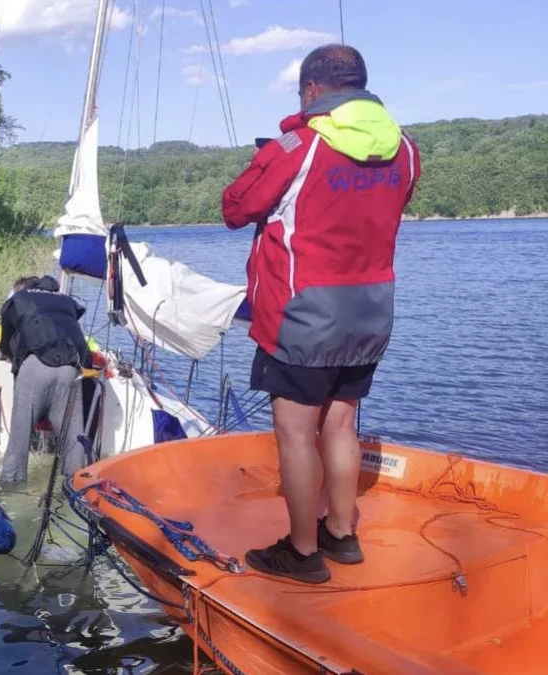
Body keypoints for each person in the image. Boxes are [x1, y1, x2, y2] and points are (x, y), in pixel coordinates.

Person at [221, 44, 421, 583]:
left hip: (304, 310)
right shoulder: (405, 149)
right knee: (341, 422)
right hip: (372, 308)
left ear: (312, 91)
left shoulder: (297, 147)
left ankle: (303, 552)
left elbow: (235, 208)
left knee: (294, 430)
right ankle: (342, 534)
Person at [0, 275, 92, 484]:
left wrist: (10, 356)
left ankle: (10, 491)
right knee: (73, 443)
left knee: (19, 442)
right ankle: (76, 490)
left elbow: (5, 344)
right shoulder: (65, 301)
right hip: (70, 370)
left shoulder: (19, 299)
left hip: (35, 370)